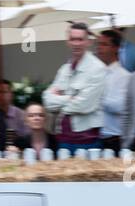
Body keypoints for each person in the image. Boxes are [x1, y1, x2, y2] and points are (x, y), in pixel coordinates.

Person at [43, 22, 106, 150]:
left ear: (88, 42)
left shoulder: (97, 68)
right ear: (68, 42)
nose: (76, 43)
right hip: (62, 137)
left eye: (80, 40)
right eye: (73, 39)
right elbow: (47, 101)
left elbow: (84, 105)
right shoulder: (65, 69)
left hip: (87, 141)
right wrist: (70, 98)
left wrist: (59, 100)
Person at [96, 30, 131, 152]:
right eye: (98, 44)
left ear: (116, 48)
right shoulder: (95, 73)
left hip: (113, 138)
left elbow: (120, 107)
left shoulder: (124, 76)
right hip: (94, 136)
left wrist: (96, 97)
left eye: (104, 44)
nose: (99, 48)